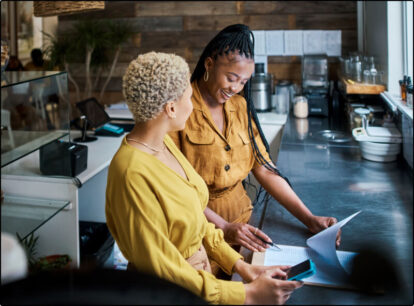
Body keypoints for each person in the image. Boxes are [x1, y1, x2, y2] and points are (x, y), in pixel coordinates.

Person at [105, 51, 303, 304]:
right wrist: (248, 294)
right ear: (171, 108)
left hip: (197, 285)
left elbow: (195, 221)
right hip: (169, 294)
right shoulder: (131, 172)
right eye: (189, 97)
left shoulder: (162, 143)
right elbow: (163, 270)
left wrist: (241, 266)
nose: (193, 104)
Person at [169, 24, 340, 255]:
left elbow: (265, 170)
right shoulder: (179, 108)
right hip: (198, 232)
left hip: (243, 225)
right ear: (209, 64)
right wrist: (224, 227)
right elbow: (174, 189)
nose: (236, 88)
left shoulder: (240, 107)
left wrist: (309, 219)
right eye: (231, 78)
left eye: (243, 82)